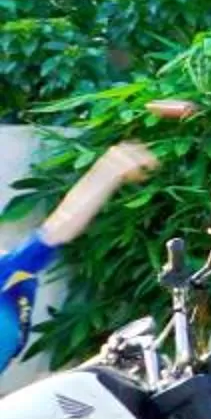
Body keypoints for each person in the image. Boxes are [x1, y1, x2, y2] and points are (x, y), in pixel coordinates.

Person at [0, 138, 165, 370]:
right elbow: (57, 229)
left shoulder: (11, 271)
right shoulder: (10, 271)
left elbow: (57, 230)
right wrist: (109, 170)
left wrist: (110, 171)